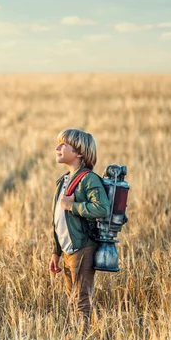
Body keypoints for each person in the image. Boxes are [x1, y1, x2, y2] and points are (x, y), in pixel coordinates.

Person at [49, 128, 110, 327]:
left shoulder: (88, 179)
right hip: (68, 248)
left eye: (63, 145)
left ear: (79, 153)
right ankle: (76, 338)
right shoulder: (64, 180)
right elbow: (57, 220)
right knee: (71, 298)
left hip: (83, 246)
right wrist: (56, 252)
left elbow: (102, 208)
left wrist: (72, 206)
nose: (58, 147)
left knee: (82, 299)